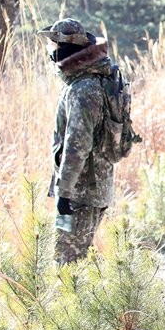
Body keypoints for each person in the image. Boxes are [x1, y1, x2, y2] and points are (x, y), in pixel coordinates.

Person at [41, 18, 115, 265]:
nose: (50, 52)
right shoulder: (85, 81)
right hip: (84, 192)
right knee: (69, 257)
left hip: (79, 196)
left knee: (67, 265)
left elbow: (77, 146)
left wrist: (64, 193)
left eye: (53, 46)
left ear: (63, 48)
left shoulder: (83, 89)